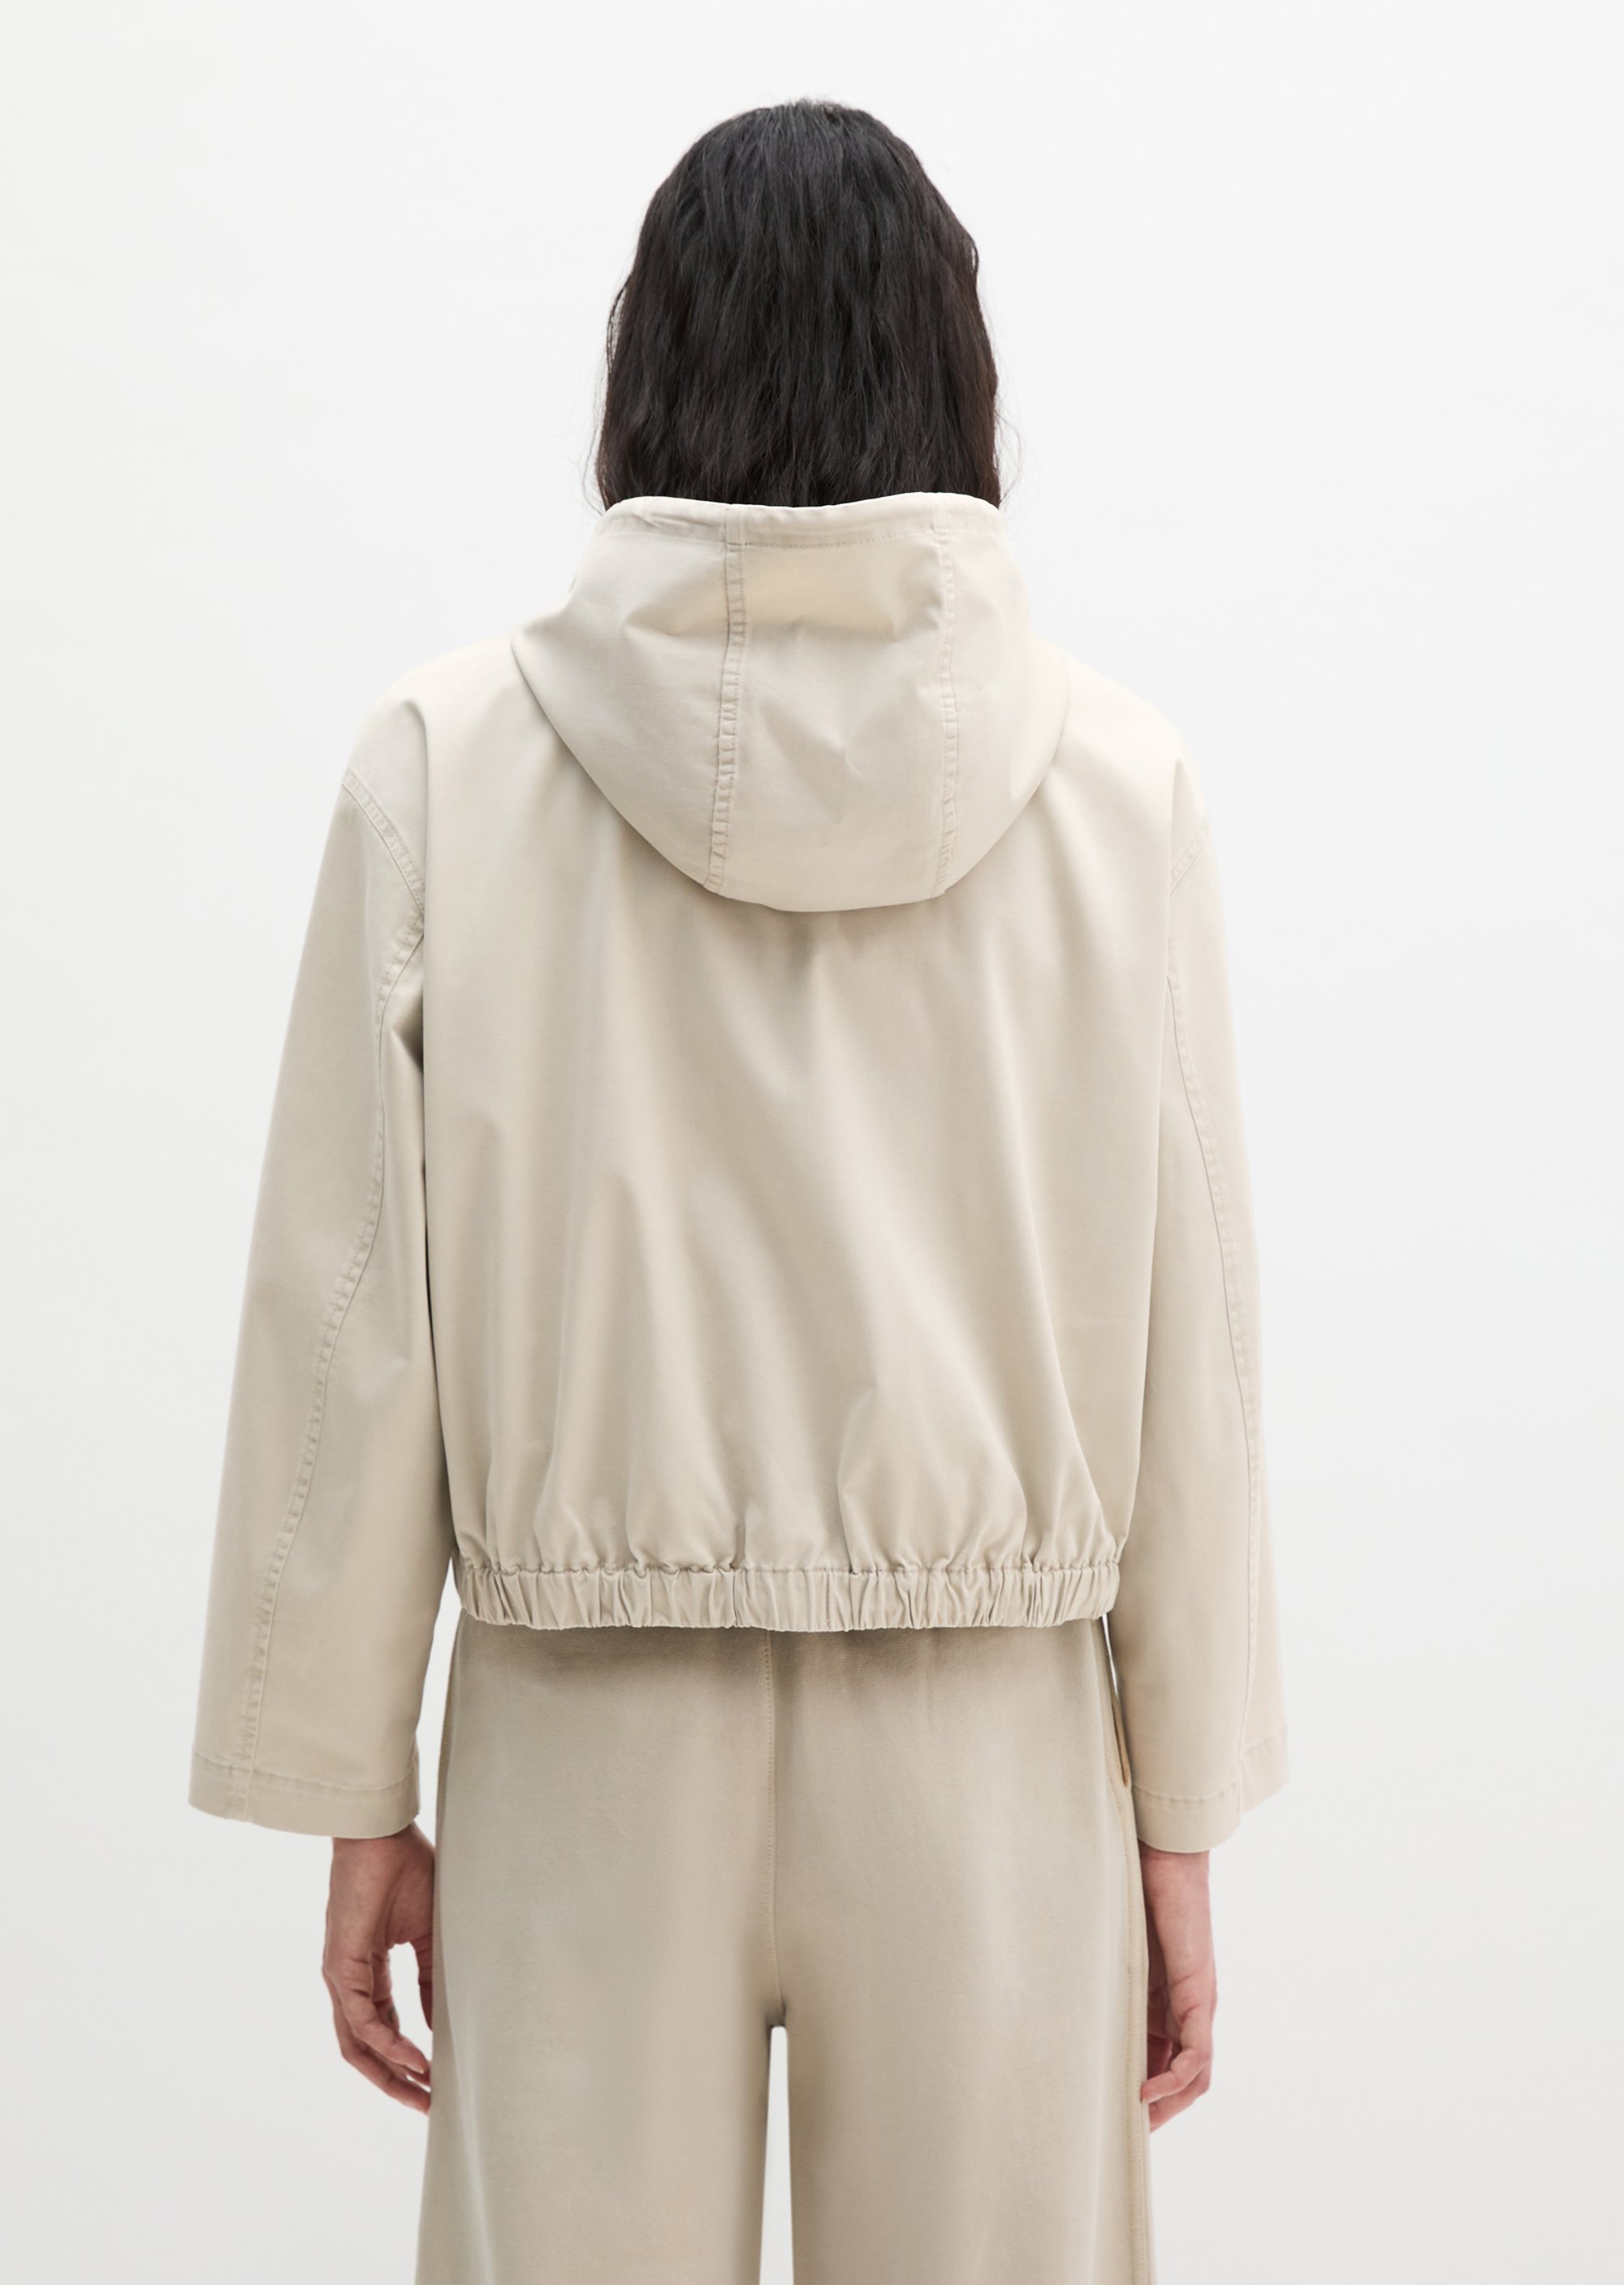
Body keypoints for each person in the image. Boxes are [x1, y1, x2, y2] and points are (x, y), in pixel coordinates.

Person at [191, 97, 1286, 2285]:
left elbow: (351, 1306)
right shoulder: (1118, 786)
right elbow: (1195, 1329)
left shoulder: (450, 764)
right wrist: (1181, 1803)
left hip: (585, 1734)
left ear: (648, 365)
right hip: (991, 1745)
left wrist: (352, 1775)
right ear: (956, 373)